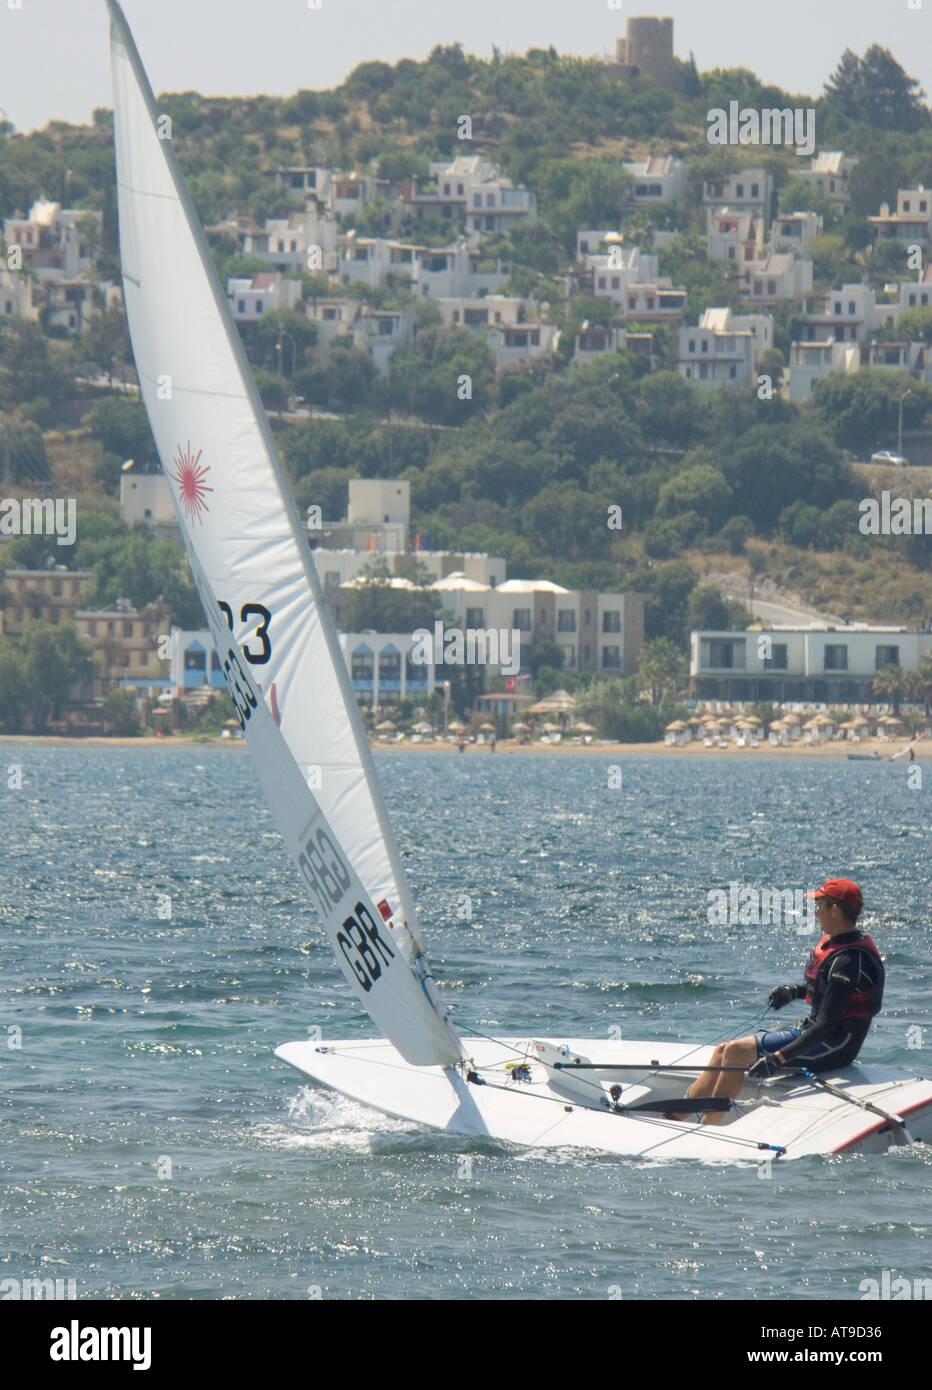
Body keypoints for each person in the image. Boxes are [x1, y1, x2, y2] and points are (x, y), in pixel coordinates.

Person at [676, 878, 884, 1125]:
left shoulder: (848, 961)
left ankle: (708, 1127)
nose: (816, 914)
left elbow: (826, 1025)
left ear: (836, 910)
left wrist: (778, 1060)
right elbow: (827, 994)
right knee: (723, 1050)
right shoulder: (840, 946)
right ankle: (676, 1116)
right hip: (815, 1030)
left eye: (820, 907)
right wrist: (793, 992)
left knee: (734, 1053)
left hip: (835, 1046)